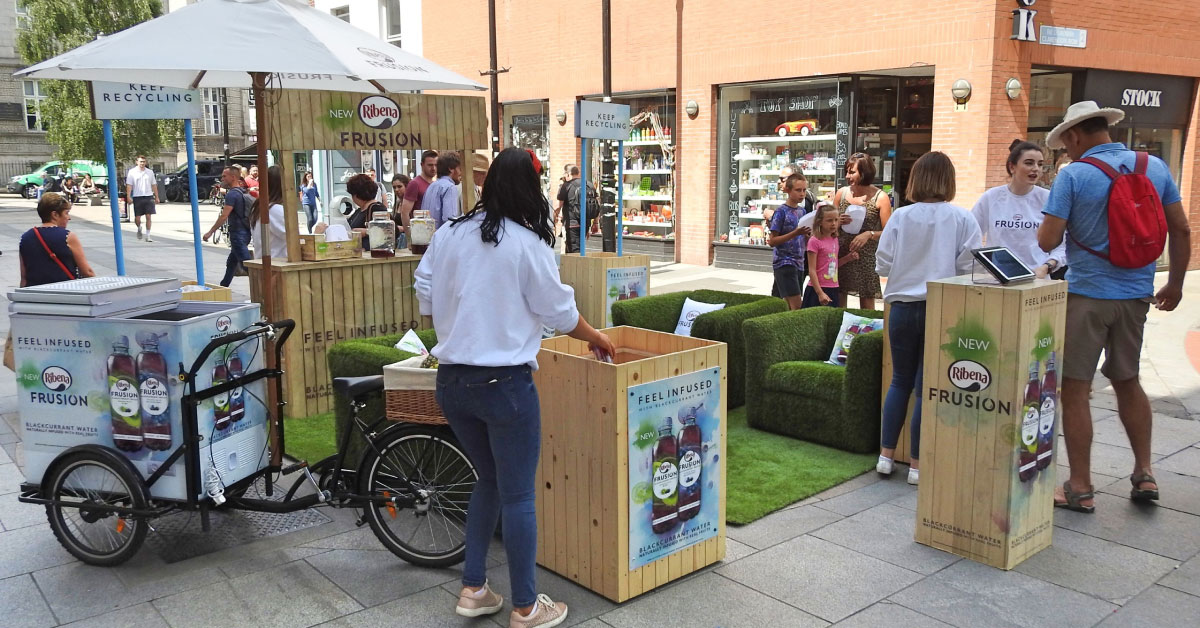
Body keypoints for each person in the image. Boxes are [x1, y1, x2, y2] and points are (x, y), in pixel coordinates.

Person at [414, 147, 615, 628]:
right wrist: (598, 337)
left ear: (486, 185)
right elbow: (560, 314)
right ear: (530, 190)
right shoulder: (528, 244)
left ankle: (474, 588)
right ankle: (525, 606)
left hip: (453, 382)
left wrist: (464, 314)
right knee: (519, 494)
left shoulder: (449, 234)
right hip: (504, 385)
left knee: (489, 479)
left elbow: (424, 294)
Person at [1037, 101, 1191, 513]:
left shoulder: (1073, 175)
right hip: (1137, 297)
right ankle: (1144, 472)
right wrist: (1174, 283)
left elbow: (1047, 242)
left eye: (1065, 144)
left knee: (1076, 389)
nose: (1065, 152)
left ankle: (1081, 486)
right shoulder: (1154, 168)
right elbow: (1181, 228)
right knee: (1128, 380)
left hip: (1087, 297)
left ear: (1074, 135)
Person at [875, 152, 982, 485]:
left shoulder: (901, 217)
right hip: (941, 307)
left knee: (898, 382)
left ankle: (886, 456)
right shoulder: (963, 219)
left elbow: (882, 263)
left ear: (915, 179)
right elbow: (971, 267)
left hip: (902, 307)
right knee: (925, 389)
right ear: (949, 180)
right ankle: (917, 466)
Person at [972, 140, 1067, 280]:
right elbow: (971, 236)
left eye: (1040, 164)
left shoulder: (1048, 199)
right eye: (1029, 163)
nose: (1036, 168)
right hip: (998, 280)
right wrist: (986, 267)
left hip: (1037, 281)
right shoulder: (991, 197)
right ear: (1012, 167)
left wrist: (1046, 267)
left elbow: (1064, 244)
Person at [833, 153, 892, 309]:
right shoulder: (842, 193)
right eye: (847, 171)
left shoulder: (881, 197)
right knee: (837, 300)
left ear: (864, 172)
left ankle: (867, 333)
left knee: (867, 305)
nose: (847, 176)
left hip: (865, 257)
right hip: (840, 254)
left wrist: (869, 234)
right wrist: (837, 222)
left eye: (852, 172)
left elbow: (890, 233)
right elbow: (826, 224)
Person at [19, 192, 96, 286]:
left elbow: (24, 277)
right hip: (63, 292)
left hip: (35, 294)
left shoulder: (25, 238)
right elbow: (87, 272)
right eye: (66, 213)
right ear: (55, 215)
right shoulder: (68, 237)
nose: (69, 218)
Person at [765, 173, 814, 310]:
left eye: (804, 190)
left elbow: (804, 238)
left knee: (785, 304)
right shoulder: (781, 212)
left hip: (799, 262)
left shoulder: (802, 211)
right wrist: (795, 233)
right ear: (788, 190)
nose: (802, 194)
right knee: (796, 305)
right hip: (784, 262)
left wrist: (808, 236)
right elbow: (773, 241)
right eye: (798, 190)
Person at [203, 166, 253, 287]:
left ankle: (265, 289)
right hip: (245, 233)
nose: (222, 178)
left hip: (237, 234)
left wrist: (210, 232)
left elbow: (224, 216)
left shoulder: (232, 195)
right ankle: (223, 286)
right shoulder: (242, 191)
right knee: (232, 262)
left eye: (225, 176)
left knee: (247, 266)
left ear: (233, 177)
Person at [803, 203, 859, 308]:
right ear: (819, 222)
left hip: (833, 287)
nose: (833, 224)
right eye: (829, 220)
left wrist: (848, 258)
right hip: (818, 288)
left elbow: (833, 264)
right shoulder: (814, 241)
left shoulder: (834, 239)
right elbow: (812, 270)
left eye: (836, 220)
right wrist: (820, 293)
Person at [251, 166, 288, 261]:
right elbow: (292, 237)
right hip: (277, 264)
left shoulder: (261, 207)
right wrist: (317, 233)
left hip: (267, 262)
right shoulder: (275, 209)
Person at [345, 173, 388, 249]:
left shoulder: (377, 208)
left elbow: (390, 230)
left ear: (357, 195)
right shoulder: (359, 210)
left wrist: (366, 232)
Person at [424, 151, 463, 228]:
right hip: (442, 237)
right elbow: (449, 220)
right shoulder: (450, 187)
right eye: (459, 169)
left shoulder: (431, 186)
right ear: (451, 169)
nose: (460, 173)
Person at [401, 150, 438, 228]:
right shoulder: (415, 184)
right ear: (422, 165)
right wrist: (409, 236)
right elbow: (405, 213)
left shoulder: (435, 184)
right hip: (419, 229)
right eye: (430, 165)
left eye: (436, 165)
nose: (433, 168)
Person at [125, 155, 159, 242]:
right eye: (140, 161)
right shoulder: (132, 172)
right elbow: (129, 185)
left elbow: (154, 185)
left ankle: (148, 235)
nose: (142, 163)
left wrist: (157, 197)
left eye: (144, 162)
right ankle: (139, 227)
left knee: (148, 216)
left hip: (148, 196)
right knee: (137, 218)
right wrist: (128, 196)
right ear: (137, 162)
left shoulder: (150, 172)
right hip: (137, 196)